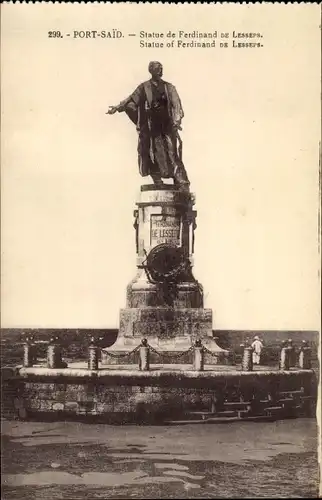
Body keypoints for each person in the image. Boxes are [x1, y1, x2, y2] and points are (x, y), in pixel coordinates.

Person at [106, 61, 190, 190]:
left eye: (161, 68)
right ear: (152, 71)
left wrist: (176, 121)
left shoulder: (169, 87)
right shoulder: (144, 87)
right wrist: (117, 107)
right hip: (151, 128)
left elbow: (177, 104)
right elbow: (131, 99)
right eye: (158, 68)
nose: (161, 70)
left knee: (171, 153)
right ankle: (157, 180)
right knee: (150, 154)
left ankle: (181, 182)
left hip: (166, 126)